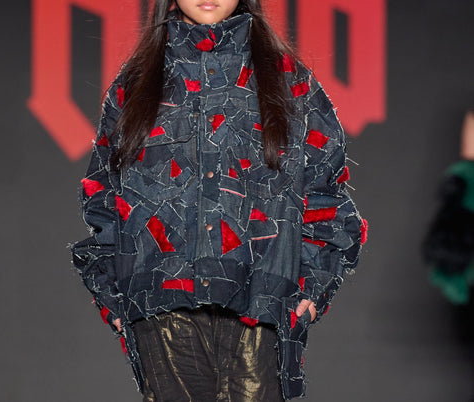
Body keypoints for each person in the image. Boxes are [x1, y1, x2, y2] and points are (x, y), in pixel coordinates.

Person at [71, 0, 366, 400]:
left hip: (260, 305)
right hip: (161, 309)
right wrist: (117, 298)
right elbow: (104, 196)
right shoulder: (136, 85)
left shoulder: (288, 81)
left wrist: (310, 290)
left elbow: (324, 190)